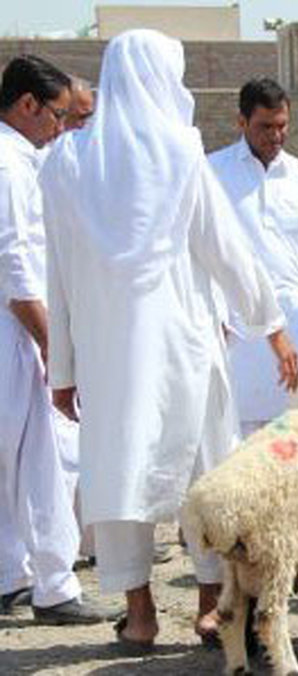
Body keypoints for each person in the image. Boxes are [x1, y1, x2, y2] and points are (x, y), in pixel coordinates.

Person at [39, 30, 298, 649]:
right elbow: (227, 251)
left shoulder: (66, 161)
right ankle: (211, 607)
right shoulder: (181, 154)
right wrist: (273, 326)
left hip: (109, 355)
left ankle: (140, 613)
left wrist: (64, 368)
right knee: (205, 472)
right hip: (184, 346)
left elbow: (59, 274)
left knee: (120, 470)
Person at [0, 54, 115, 625]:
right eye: (56, 116)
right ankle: (54, 587)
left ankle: (9, 574)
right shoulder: (12, 166)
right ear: (27, 106)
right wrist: (52, 345)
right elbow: (17, 267)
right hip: (17, 334)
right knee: (44, 463)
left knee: (9, 464)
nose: (61, 128)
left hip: (13, 331)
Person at [208, 78, 298, 437]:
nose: (275, 136)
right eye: (265, 126)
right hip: (233, 319)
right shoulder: (212, 171)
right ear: (241, 122)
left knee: (295, 419)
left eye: (282, 126)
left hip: (294, 314)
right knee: (234, 421)